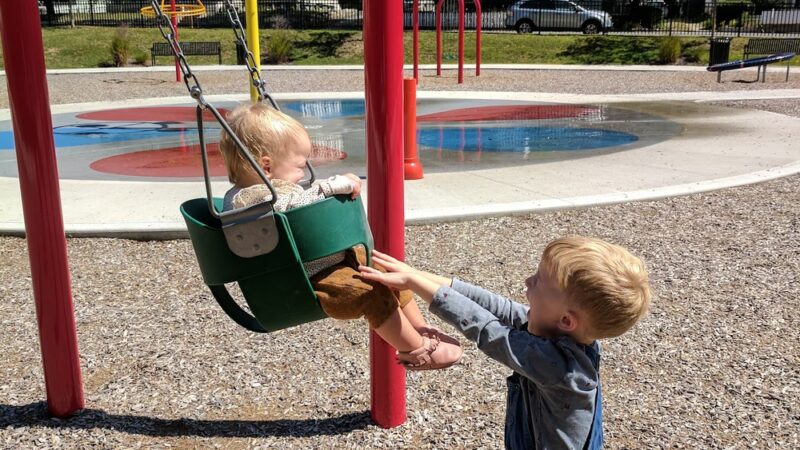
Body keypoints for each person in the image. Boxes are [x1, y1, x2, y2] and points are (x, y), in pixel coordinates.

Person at [218, 102, 463, 370]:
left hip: (328, 264)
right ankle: (416, 351)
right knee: (373, 292)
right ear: (266, 166)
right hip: (305, 280)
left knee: (383, 270)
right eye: (300, 167)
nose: (303, 175)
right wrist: (328, 188)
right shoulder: (249, 197)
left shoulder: (273, 187)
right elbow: (284, 209)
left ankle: (420, 329)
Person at [358, 236, 651, 449]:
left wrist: (417, 285)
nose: (528, 280)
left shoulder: (558, 368)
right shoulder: (559, 330)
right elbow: (497, 307)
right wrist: (416, 275)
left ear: (566, 320)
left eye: (538, 281)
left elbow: (489, 330)